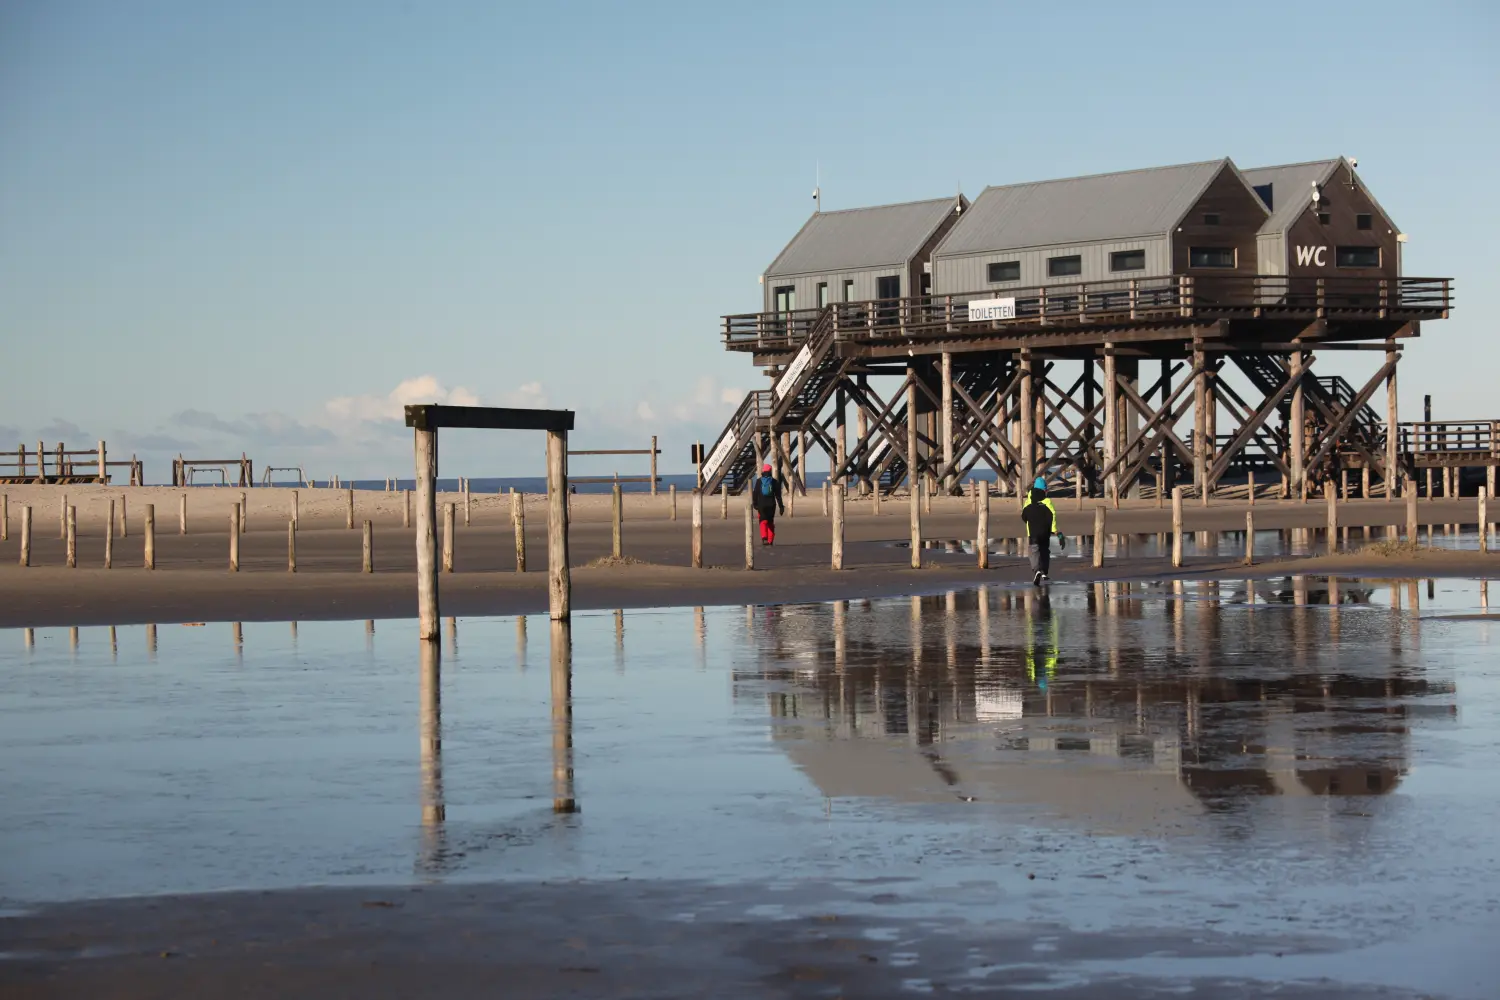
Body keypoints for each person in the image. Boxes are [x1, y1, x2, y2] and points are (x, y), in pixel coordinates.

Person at [1021, 476, 1064, 585]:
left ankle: (1037, 570)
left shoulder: (1028, 502)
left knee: (1034, 551)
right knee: (1045, 550)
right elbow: (1052, 515)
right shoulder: (1047, 501)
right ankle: (1044, 571)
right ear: (1044, 490)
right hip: (1045, 532)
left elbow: (1024, 516)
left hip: (1033, 532)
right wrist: (1055, 531)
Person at [752, 463, 785, 545]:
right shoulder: (774, 481)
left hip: (761, 504)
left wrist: (755, 504)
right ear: (770, 471)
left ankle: (764, 537)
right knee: (770, 522)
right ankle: (770, 540)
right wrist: (781, 507)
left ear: (763, 471)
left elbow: (755, 493)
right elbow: (778, 496)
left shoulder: (759, 481)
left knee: (763, 521)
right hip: (771, 505)